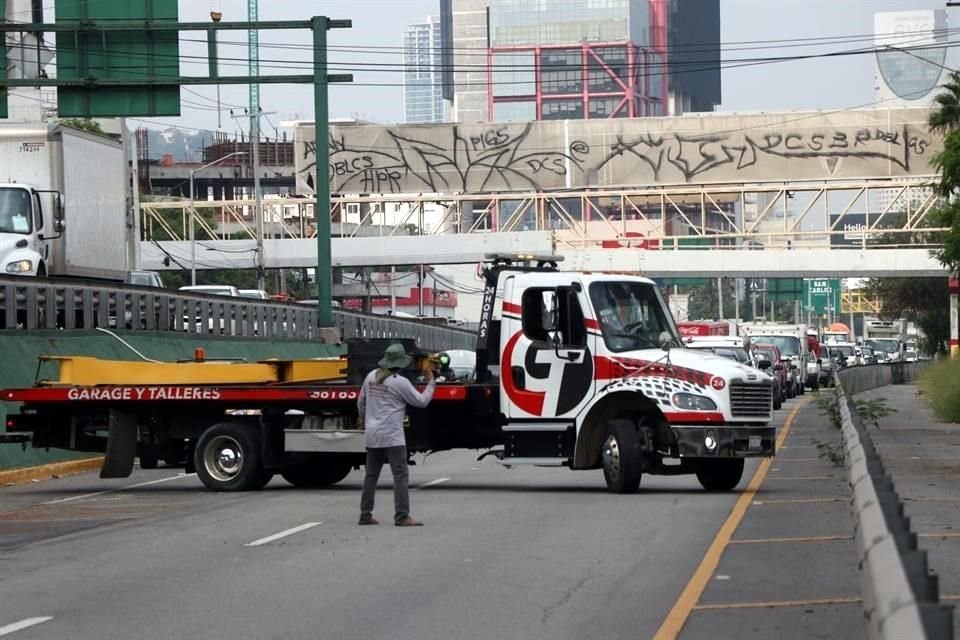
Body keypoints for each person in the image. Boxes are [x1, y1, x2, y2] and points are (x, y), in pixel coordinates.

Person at [357, 343, 436, 527]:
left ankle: (365, 514)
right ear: (401, 363)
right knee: (400, 475)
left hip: (372, 434)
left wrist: (364, 420)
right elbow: (421, 401)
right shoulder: (399, 382)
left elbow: (361, 403)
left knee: (371, 475)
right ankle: (402, 516)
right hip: (392, 436)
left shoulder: (371, 377)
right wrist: (431, 382)